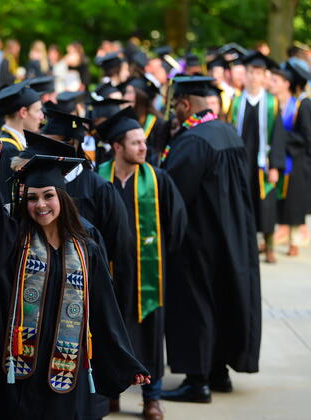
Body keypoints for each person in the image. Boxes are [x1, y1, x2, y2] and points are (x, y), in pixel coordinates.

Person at [0, 129, 150, 419]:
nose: (41, 205)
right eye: (33, 198)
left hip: (65, 370)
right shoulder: (12, 241)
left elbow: (104, 308)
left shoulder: (87, 248)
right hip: (18, 371)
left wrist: (126, 361)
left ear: (62, 197)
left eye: (48, 195)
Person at [159, 76, 261, 403]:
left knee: (195, 305)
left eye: (176, 104)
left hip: (198, 240)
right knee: (220, 300)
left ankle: (197, 380)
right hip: (231, 236)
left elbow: (174, 193)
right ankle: (219, 371)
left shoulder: (193, 141)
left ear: (186, 104)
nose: (173, 111)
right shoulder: (227, 132)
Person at [96, 108, 187, 420]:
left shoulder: (158, 179)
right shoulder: (98, 179)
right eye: (135, 143)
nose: (143, 148)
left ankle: (152, 398)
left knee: (149, 333)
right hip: (106, 272)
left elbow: (177, 224)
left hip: (146, 272)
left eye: (144, 142)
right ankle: (109, 394)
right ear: (117, 147)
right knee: (107, 331)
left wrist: (156, 255)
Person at [228, 51, 286, 263]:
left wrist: (275, 167)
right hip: (242, 161)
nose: (254, 77)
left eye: (258, 73)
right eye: (251, 72)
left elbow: (278, 136)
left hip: (264, 162)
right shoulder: (235, 102)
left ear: (264, 77)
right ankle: (246, 245)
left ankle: (269, 246)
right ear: (246, 74)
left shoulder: (272, 103)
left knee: (266, 204)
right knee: (243, 202)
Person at [269, 61, 311, 256]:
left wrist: (282, 138)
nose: (271, 84)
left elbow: (306, 136)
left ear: (287, 83)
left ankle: (294, 240)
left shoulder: (301, 105)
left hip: (295, 158)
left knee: (294, 199)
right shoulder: (273, 104)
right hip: (277, 156)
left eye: (275, 81)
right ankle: (277, 233)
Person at [0, 82, 44, 203]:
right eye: (38, 111)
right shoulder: (7, 149)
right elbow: (5, 198)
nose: (42, 117)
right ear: (23, 112)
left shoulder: (9, 143)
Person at [120, 75, 167, 164]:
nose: (125, 97)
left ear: (140, 96)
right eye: (125, 93)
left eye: (130, 92)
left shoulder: (158, 123)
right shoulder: (126, 121)